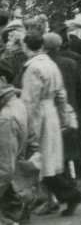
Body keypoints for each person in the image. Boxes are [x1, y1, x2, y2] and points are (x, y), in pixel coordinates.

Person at [21, 30, 81, 216]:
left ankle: (69, 195)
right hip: (52, 114)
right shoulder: (50, 64)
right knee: (47, 163)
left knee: (39, 162)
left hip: (39, 116)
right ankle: (67, 196)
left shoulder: (33, 68)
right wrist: (65, 117)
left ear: (26, 46)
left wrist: (27, 126)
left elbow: (30, 101)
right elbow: (61, 94)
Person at [0, 63, 29, 222]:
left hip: (7, 200)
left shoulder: (6, 118)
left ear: (2, 80)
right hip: (16, 190)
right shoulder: (17, 102)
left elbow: (4, 170)